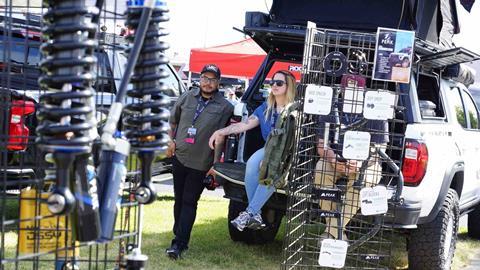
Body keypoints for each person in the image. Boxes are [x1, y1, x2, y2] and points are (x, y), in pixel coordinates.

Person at [209, 70, 297, 231]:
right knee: (252, 164)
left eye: (279, 83)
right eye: (272, 83)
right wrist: (221, 131)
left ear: (289, 85)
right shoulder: (265, 108)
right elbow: (244, 125)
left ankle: (250, 212)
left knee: (270, 167)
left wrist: (272, 159)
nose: (274, 86)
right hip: (269, 149)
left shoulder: (295, 110)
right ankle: (253, 214)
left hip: (289, 154)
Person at [166, 64, 233, 259]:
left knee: (189, 201)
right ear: (200, 78)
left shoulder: (225, 107)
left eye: (212, 79)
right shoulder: (187, 97)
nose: (208, 82)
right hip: (180, 156)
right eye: (205, 78)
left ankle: (179, 243)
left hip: (201, 162)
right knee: (179, 199)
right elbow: (173, 121)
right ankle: (179, 232)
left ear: (218, 82)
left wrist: (215, 165)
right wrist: (170, 140)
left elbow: (224, 138)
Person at [314, 104, 388, 240]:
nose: (351, 89)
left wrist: (360, 163)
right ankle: (338, 232)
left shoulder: (377, 109)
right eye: (347, 86)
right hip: (335, 159)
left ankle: (331, 233)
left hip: (367, 163)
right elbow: (321, 144)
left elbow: (380, 149)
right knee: (320, 170)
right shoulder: (330, 107)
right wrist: (332, 159)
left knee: (364, 181)